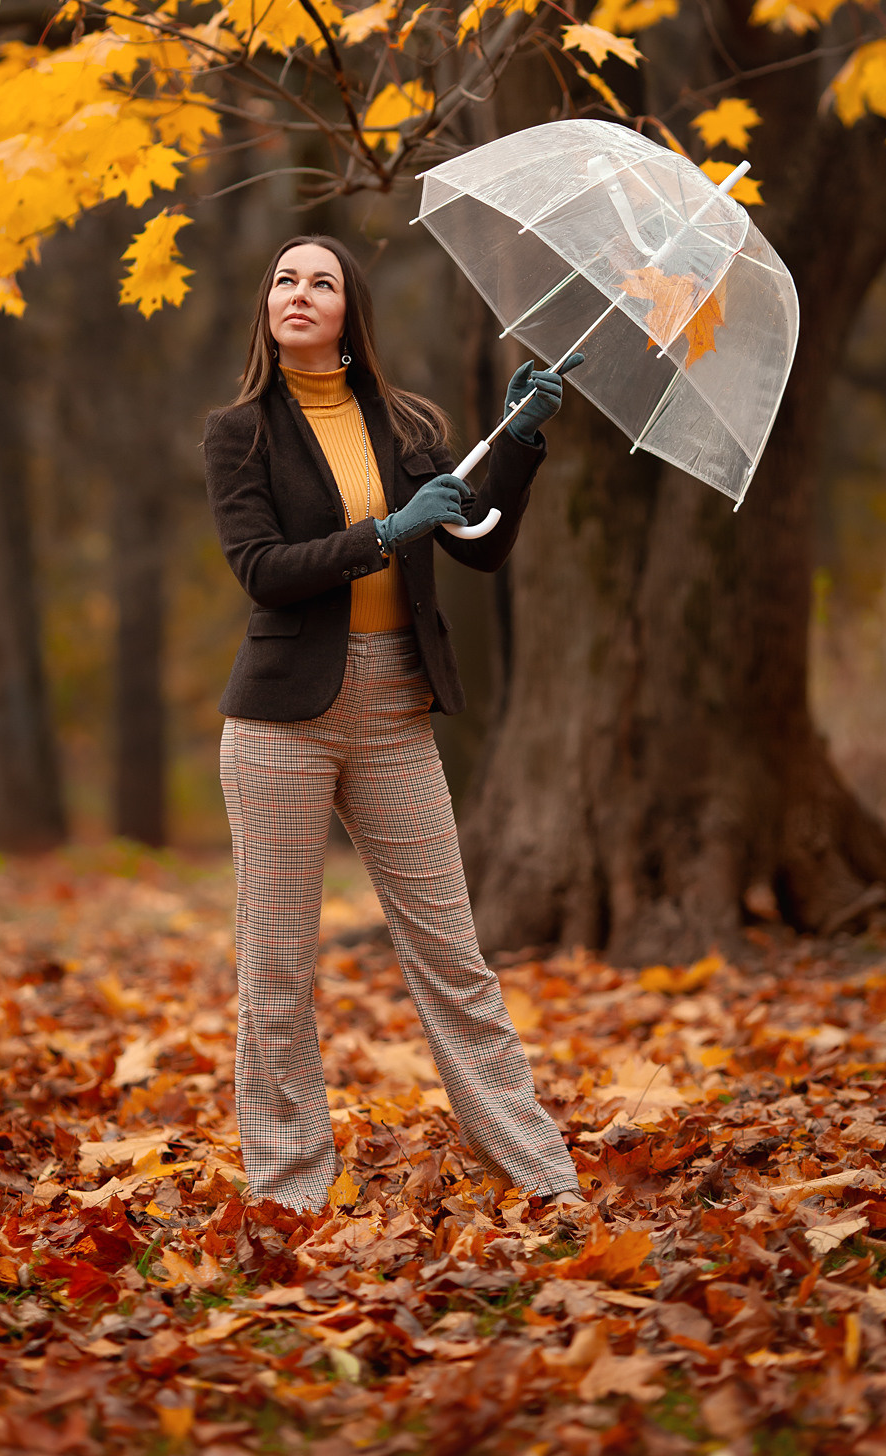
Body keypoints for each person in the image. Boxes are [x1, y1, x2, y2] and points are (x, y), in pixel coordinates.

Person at [203, 233, 584, 1214]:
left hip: (396, 714)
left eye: (319, 281)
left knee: (453, 963)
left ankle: (540, 1179)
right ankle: (289, 1191)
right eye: (282, 277)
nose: (297, 291)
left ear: (347, 312)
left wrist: (521, 444)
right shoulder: (239, 432)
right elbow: (261, 571)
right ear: (266, 307)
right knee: (278, 971)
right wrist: (384, 533)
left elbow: (479, 549)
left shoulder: (408, 424)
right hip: (280, 723)